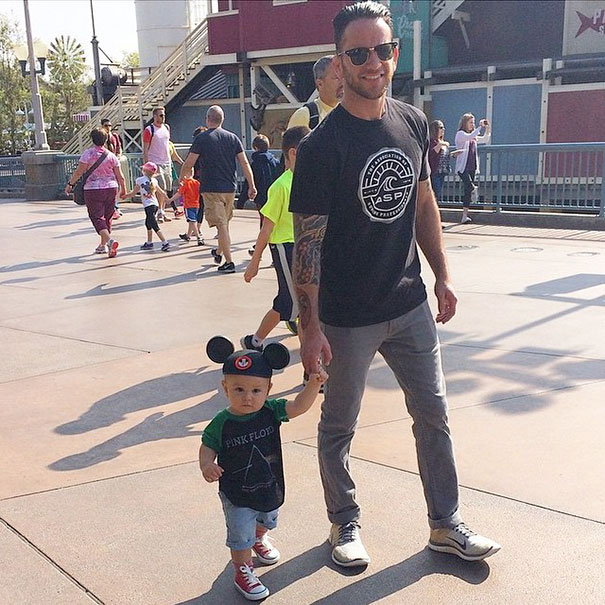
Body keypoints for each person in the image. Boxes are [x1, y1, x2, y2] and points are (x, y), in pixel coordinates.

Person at [289, 0, 501, 568]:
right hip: (346, 317)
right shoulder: (320, 148)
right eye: (358, 53)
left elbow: (424, 202)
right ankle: (343, 522)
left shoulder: (411, 122)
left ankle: (445, 524)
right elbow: (307, 246)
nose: (372, 62)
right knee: (339, 425)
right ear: (339, 62)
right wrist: (310, 329)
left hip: (408, 304)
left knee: (434, 415)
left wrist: (442, 274)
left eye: (381, 50)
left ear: (395, 52)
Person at [201, 336, 327, 601]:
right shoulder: (222, 421)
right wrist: (207, 464)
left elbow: (298, 407)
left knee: (268, 517)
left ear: (268, 389)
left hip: (269, 483)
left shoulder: (271, 410)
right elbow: (208, 444)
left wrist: (313, 384)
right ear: (225, 387)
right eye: (239, 390)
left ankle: (259, 539)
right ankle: (242, 569)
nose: (248, 397)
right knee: (240, 533)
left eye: (256, 391)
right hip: (236, 492)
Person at [241, 126, 310, 354]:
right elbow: (266, 228)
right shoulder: (281, 186)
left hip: (305, 247)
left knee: (297, 302)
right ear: (294, 153)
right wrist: (255, 262)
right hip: (284, 247)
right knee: (294, 304)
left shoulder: (309, 181)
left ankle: (257, 340)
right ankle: (256, 342)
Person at [179, 105, 257, 274]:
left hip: (211, 188)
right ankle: (219, 252)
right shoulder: (233, 138)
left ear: (207, 119)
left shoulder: (202, 139)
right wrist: (251, 185)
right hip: (230, 188)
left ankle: (229, 262)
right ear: (222, 119)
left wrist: (181, 179)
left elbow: (189, 163)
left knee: (221, 225)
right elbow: (244, 163)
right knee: (224, 224)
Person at [65, 127, 126, 258]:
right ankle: (103, 245)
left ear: (92, 139)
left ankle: (109, 241)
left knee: (97, 217)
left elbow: (79, 172)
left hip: (93, 189)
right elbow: (120, 176)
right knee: (108, 217)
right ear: (105, 139)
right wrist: (124, 189)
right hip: (111, 188)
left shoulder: (87, 154)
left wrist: (70, 184)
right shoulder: (111, 156)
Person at [121, 162, 171, 252]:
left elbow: (133, 193)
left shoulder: (140, 180)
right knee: (148, 223)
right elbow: (162, 192)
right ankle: (149, 242)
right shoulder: (154, 181)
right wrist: (168, 199)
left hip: (148, 205)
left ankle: (165, 242)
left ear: (145, 170)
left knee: (154, 225)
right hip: (155, 204)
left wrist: (125, 196)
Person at [243, 134, 280, 255]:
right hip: (274, 196)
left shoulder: (255, 163)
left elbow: (250, 180)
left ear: (255, 147)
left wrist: (242, 200)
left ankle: (260, 248)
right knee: (273, 223)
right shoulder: (275, 161)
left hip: (261, 198)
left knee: (264, 223)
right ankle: (262, 247)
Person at [287, 55, 343, 130]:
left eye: (344, 77)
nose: (343, 83)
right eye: (337, 78)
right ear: (320, 84)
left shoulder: (351, 114)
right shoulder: (304, 116)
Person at [454, 113, 491, 224]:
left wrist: (487, 128)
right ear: (465, 123)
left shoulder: (473, 136)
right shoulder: (460, 134)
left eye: (473, 122)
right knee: (470, 186)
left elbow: (485, 139)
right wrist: (479, 127)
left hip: (472, 166)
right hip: (463, 167)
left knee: (467, 191)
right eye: (470, 122)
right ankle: (474, 189)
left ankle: (464, 216)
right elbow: (469, 137)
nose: (472, 124)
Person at [142, 106, 173, 223]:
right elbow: (145, 149)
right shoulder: (149, 130)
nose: (163, 117)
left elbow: (167, 144)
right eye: (160, 115)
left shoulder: (166, 128)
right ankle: (159, 211)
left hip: (166, 162)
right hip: (155, 163)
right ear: (155, 116)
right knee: (160, 187)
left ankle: (162, 210)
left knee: (166, 188)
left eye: (164, 115)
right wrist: (146, 165)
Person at [101, 118, 126, 221]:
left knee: (117, 185)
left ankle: (115, 206)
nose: (108, 128)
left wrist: (118, 156)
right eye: (106, 126)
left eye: (109, 125)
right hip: (106, 165)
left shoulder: (114, 136)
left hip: (114, 163)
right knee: (108, 186)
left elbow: (119, 148)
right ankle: (112, 208)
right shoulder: (101, 137)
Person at [169, 176, 203, 246]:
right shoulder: (197, 183)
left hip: (188, 205)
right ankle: (188, 236)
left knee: (192, 221)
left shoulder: (186, 183)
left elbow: (179, 194)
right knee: (192, 221)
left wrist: (170, 200)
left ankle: (198, 237)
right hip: (196, 204)